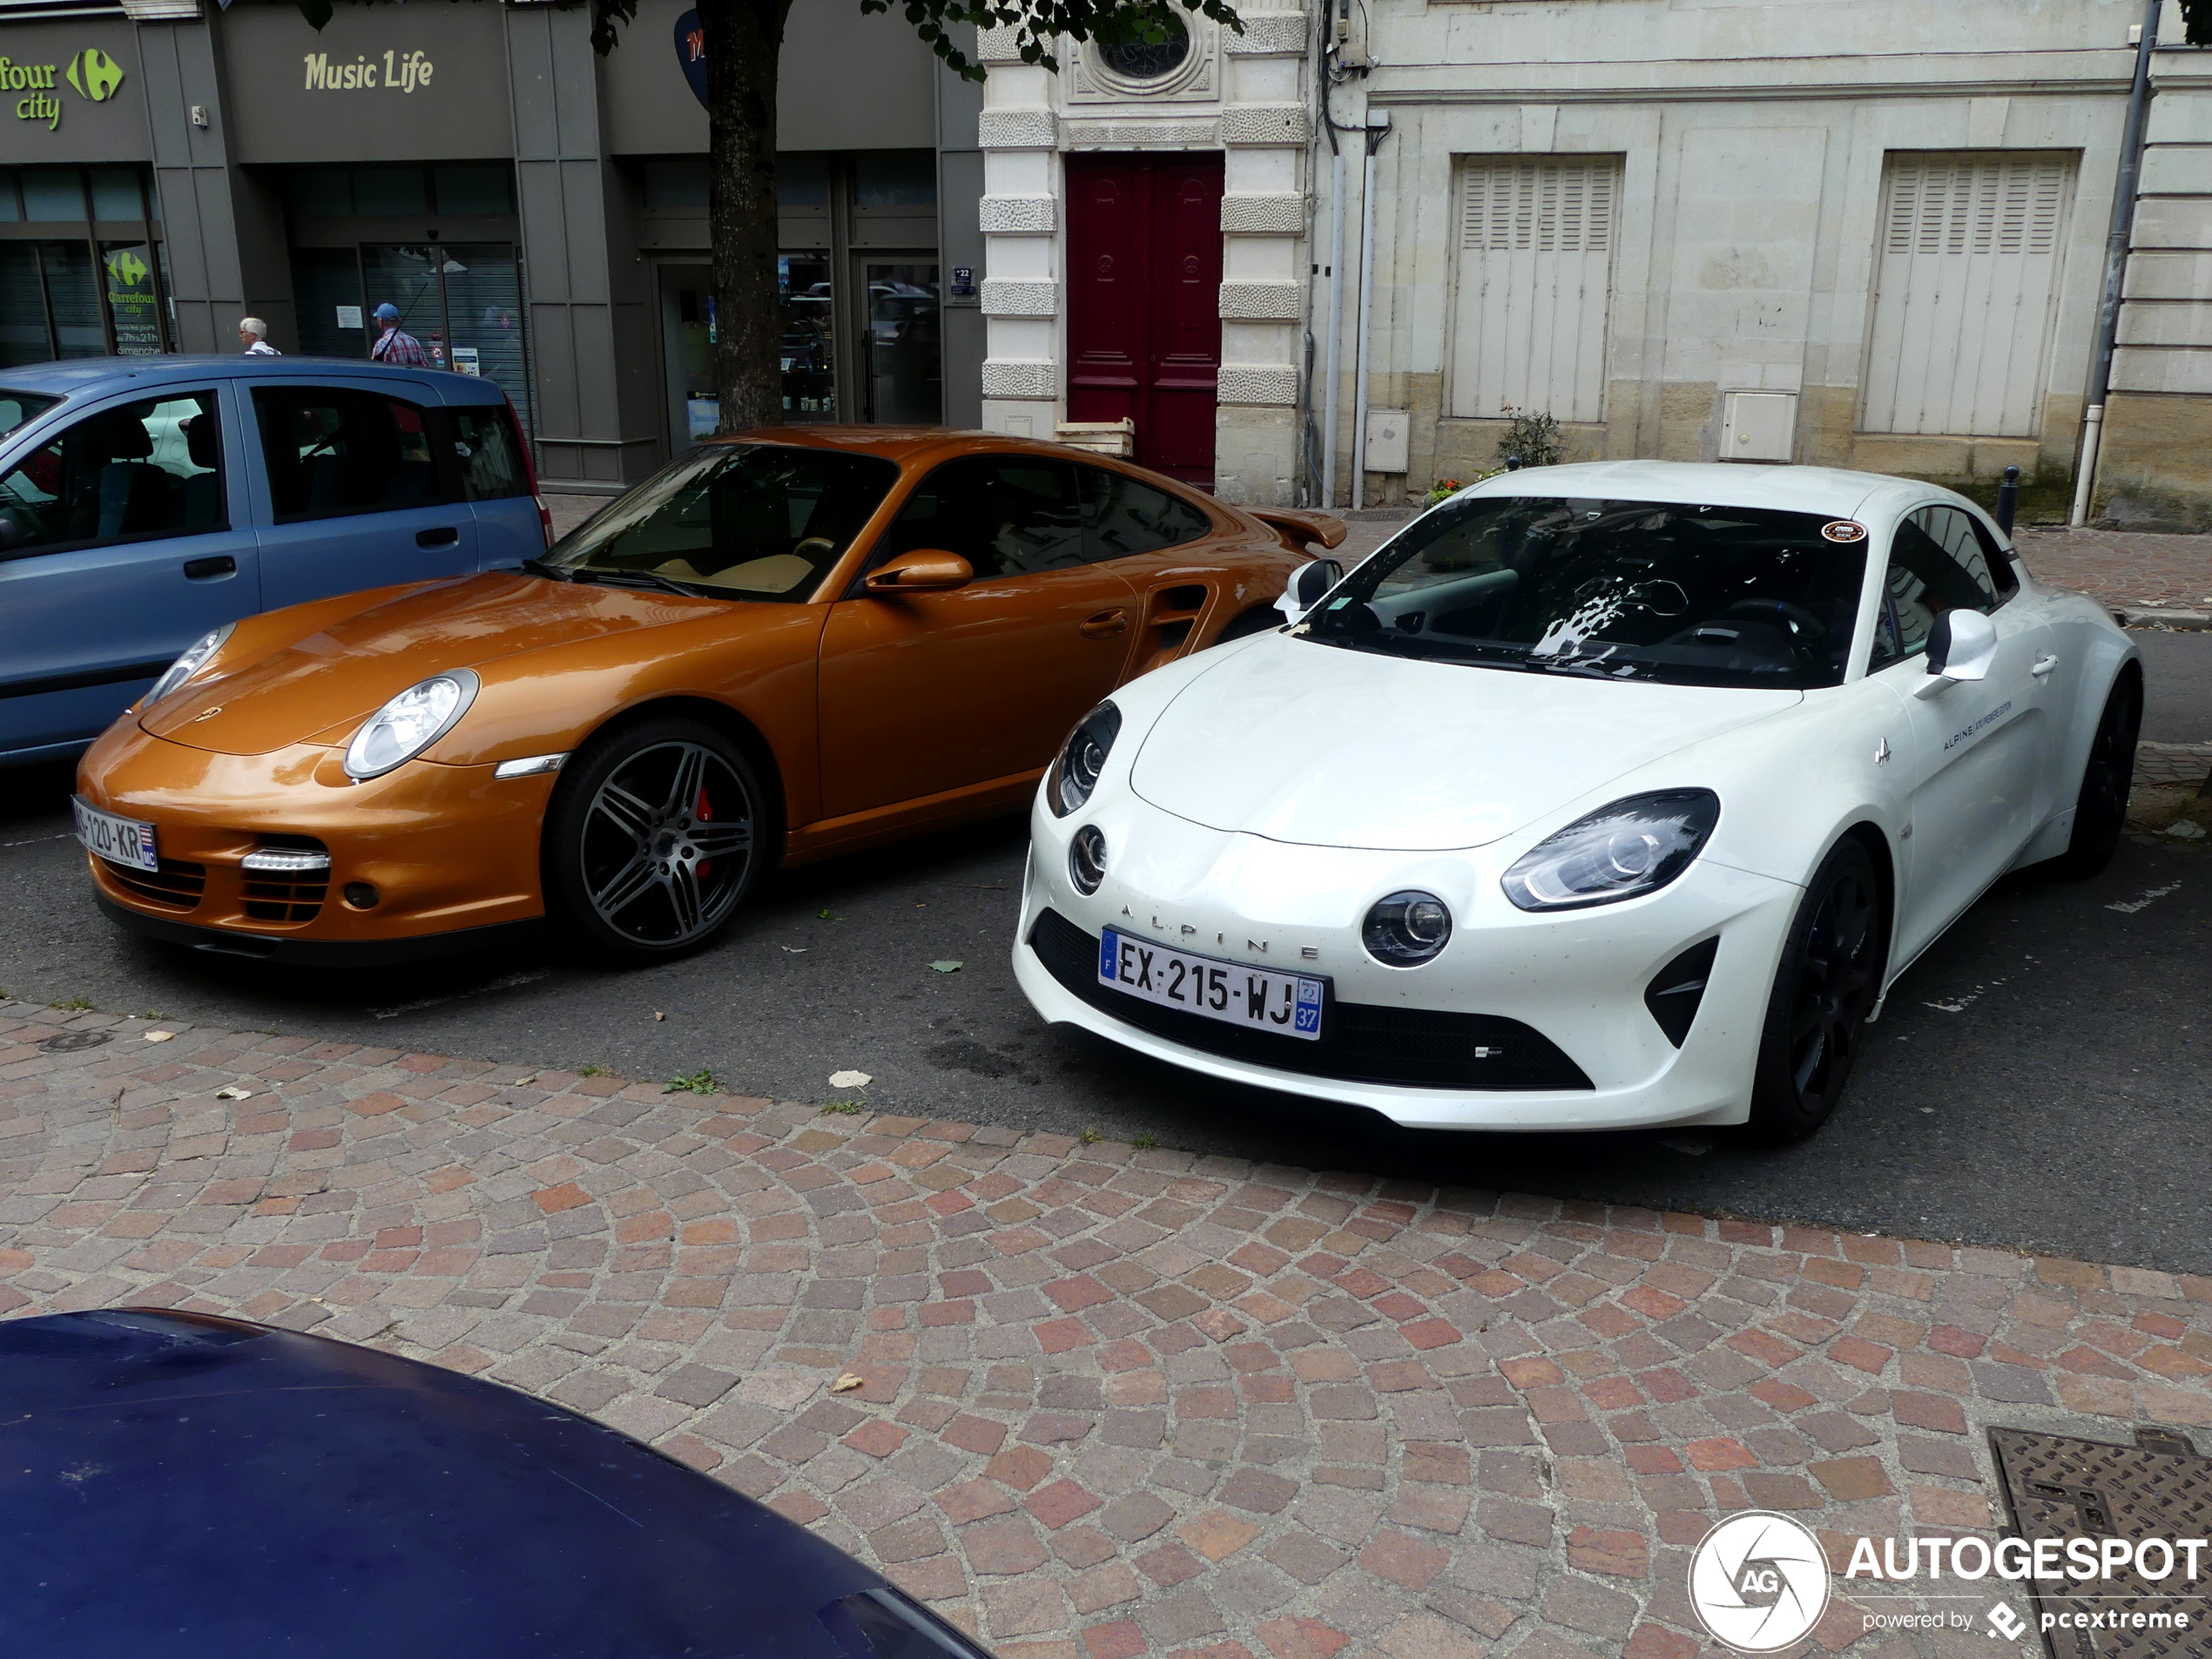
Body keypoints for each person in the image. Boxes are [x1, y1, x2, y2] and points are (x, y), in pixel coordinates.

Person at [369, 302, 430, 367]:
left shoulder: (382, 344)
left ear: (381, 321)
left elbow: (377, 371)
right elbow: (426, 367)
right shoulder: (413, 341)